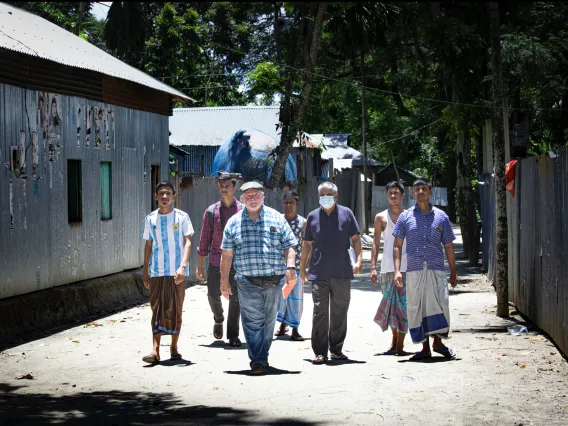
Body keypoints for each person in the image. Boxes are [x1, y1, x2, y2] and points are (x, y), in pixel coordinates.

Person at [220, 181, 298, 375]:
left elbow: (290, 246)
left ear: (263, 197)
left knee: (269, 322)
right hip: (247, 282)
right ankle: (258, 360)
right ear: (242, 199)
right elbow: (227, 254)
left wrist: (291, 267)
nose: (252, 198)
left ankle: (261, 357)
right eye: (248, 196)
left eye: (256, 195)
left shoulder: (277, 219)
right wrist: (223, 281)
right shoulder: (234, 222)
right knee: (253, 322)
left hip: (274, 281)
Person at [393, 179, 458, 361]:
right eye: (417, 189)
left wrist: (453, 271)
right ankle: (425, 347)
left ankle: (438, 342)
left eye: (424, 188)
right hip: (414, 270)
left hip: (436, 268)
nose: (420, 191)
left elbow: (449, 246)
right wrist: (398, 270)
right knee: (417, 307)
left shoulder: (441, 217)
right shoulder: (405, 217)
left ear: (430, 191)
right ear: (413, 193)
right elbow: (397, 246)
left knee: (439, 304)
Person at [300, 182, 363, 365]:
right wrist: (303, 266)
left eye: (329, 194)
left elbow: (356, 239)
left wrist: (359, 260)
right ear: (318, 197)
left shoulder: (346, 214)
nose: (325, 197)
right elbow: (307, 244)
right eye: (322, 194)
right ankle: (320, 352)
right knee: (320, 312)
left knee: (339, 312)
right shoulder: (312, 217)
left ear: (336, 196)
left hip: (342, 272)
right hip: (319, 273)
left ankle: (336, 350)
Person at [142, 181, 193, 364]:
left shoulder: (182, 217)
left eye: (168, 193)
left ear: (174, 196)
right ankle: (155, 351)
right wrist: (145, 271)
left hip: (176, 272)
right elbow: (148, 246)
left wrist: (183, 266)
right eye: (161, 193)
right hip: (156, 272)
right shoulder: (150, 219)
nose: (164, 196)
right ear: (156, 196)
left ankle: (173, 347)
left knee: (175, 308)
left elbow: (188, 242)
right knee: (156, 309)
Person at [197, 173, 243, 347]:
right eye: (221, 186)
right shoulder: (211, 212)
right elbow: (204, 240)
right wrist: (200, 265)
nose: (224, 189)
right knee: (212, 294)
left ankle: (233, 334)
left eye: (227, 186)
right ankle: (218, 318)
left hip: (237, 263)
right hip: (216, 261)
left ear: (234, 188)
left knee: (236, 298)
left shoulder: (242, 211)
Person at [370, 181, 409, 356]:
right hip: (386, 268)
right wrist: (372, 267)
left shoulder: (409, 216)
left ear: (403, 195)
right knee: (392, 306)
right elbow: (376, 243)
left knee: (405, 306)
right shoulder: (380, 217)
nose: (393, 196)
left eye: (396, 193)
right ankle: (394, 341)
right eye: (390, 193)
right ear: (386, 196)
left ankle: (400, 342)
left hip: (408, 267)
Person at [275, 191, 307, 341]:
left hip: (297, 266)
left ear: (297, 204)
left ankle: (295, 329)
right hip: (279, 267)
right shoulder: (277, 221)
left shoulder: (303, 222)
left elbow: (307, 244)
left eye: (291, 203)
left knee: (295, 298)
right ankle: (282, 326)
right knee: (281, 296)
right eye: (286, 202)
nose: (288, 205)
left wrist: (306, 265)